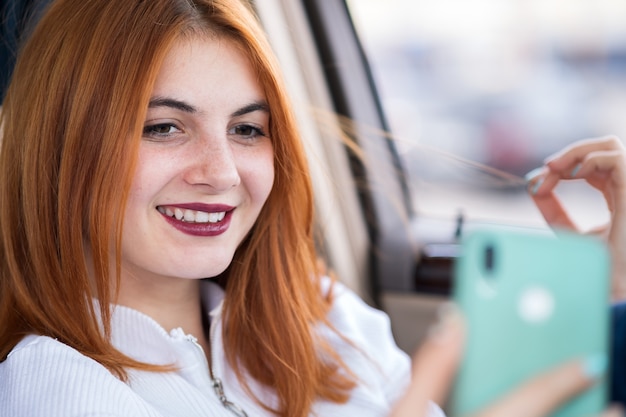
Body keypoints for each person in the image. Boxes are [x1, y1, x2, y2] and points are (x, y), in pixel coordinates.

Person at [0, 0, 621, 417]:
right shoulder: (53, 386)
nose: (221, 172)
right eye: (163, 128)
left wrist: (598, 292)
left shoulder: (319, 316)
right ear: (58, 148)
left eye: (247, 131)